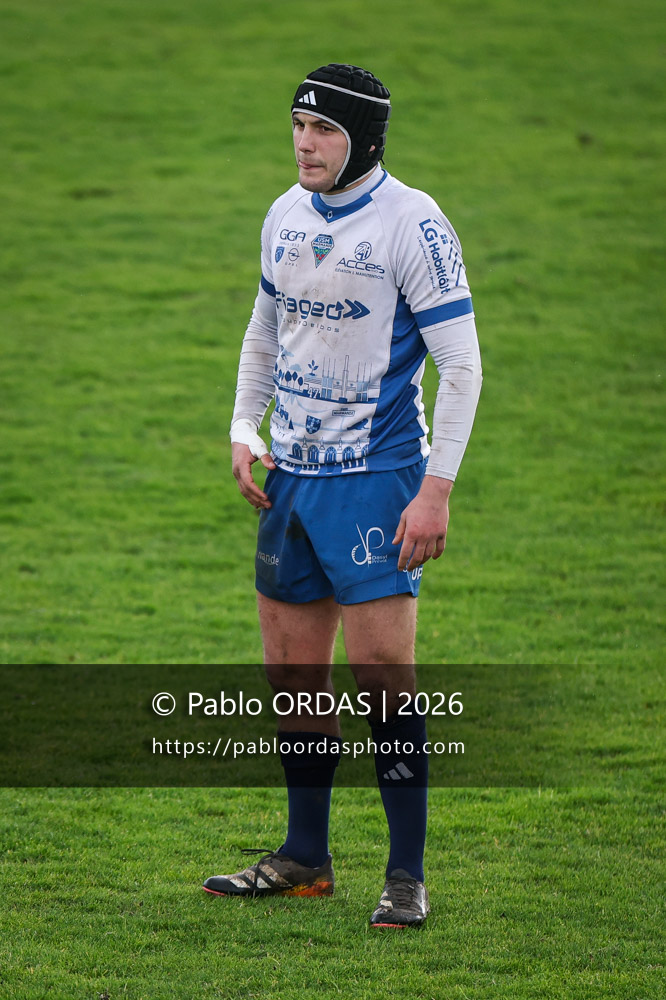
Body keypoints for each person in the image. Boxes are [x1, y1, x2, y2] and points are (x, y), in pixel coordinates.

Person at [203, 63, 482, 927]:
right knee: (294, 678)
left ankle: (405, 876)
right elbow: (264, 328)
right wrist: (245, 430)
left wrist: (434, 493)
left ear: (362, 137)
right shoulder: (283, 215)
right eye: (296, 125)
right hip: (290, 476)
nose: (303, 143)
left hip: (377, 478)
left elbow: (462, 367)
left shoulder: (414, 222)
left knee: (384, 680)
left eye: (321, 130)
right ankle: (304, 857)